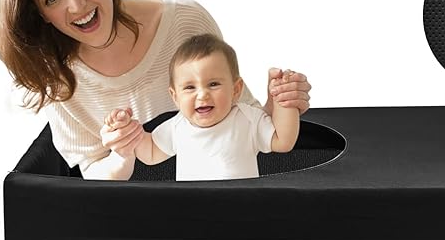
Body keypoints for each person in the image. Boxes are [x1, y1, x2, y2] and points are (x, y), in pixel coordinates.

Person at [0, 0, 311, 180]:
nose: (76, 6)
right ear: (42, 13)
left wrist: (283, 103)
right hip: (137, 209)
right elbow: (92, 171)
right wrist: (122, 154)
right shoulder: (56, 77)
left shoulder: (183, 21)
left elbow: (242, 121)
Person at [105, 34, 299, 181]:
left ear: (236, 89)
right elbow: (150, 153)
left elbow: (283, 141)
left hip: (240, 211)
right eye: (190, 87)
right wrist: (126, 129)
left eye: (213, 84)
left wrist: (283, 98)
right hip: (194, 213)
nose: (202, 95)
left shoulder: (246, 118)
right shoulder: (177, 126)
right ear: (175, 96)